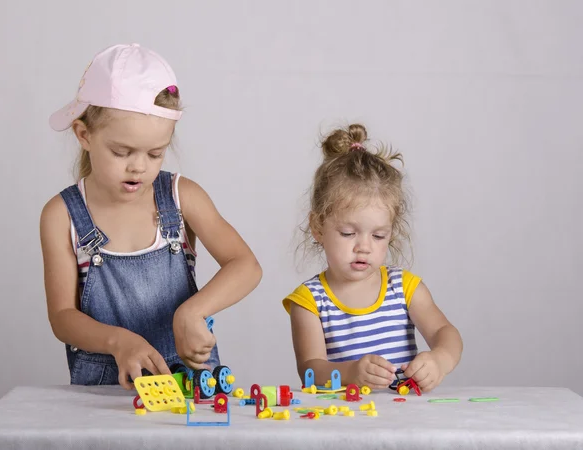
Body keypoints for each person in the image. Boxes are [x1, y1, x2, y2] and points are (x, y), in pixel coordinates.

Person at [40, 43, 262, 389]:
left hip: (189, 386)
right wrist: (118, 342)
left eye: (155, 153)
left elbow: (245, 265)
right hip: (105, 393)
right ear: (84, 135)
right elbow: (62, 318)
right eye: (121, 151)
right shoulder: (61, 215)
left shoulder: (181, 197)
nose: (138, 166)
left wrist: (192, 311)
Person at [283, 124, 462, 392]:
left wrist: (439, 360)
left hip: (404, 422)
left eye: (378, 236)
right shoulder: (310, 301)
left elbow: (446, 334)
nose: (363, 247)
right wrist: (350, 372)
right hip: (344, 424)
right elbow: (310, 370)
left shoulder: (404, 288)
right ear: (318, 227)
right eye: (348, 233)